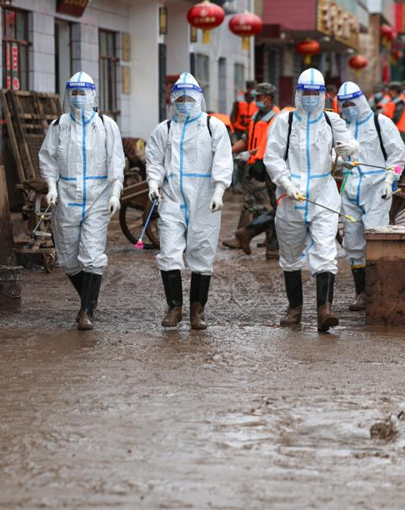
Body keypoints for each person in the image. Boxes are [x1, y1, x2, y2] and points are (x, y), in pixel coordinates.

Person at [264, 69, 358, 331]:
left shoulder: (332, 121)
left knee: (326, 250)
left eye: (314, 94)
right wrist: (285, 183)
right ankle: (295, 308)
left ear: (324, 96)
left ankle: (324, 311)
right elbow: (272, 157)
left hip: (323, 193)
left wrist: (347, 149)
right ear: (297, 93)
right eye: (305, 93)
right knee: (291, 254)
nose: (309, 99)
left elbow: (350, 143)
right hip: (290, 195)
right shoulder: (286, 121)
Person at [146, 72, 233, 330]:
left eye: (189, 97)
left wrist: (219, 190)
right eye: (179, 97)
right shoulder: (164, 129)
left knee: (202, 252)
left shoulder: (213, 127)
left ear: (198, 99)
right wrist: (153, 183)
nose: (184, 102)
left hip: (204, 198)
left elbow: (223, 161)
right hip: (173, 197)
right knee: (169, 251)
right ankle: (175, 308)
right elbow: (154, 160)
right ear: (173, 99)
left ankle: (197, 310)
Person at [39, 71, 125, 330]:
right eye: (73, 93)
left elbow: (116, 161)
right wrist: (51, 187)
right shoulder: (58, 125)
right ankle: (88, 299)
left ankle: (86, 311)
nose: (78, 98)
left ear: (92, 94)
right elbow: (48, 159)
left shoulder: (106, 125)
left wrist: (115, 193)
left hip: (97, 196)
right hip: (67, 197)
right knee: (68, 257)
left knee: (92, 253)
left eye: (82, 92)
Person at [336, 81, 405, 311]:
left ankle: (379, 291)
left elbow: (397, 156)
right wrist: (338, 160)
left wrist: (389, 180)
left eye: (351, 103)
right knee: (353, 243)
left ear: (361, 101)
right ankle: (362, 294)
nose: (348, 108)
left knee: (375, 239)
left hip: (377, 189)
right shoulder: (340, 128)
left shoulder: (380, 123)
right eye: (343, 105)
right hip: (350, 188)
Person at [224, 83, 279, 257]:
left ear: (268, 98)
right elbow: (247, 138)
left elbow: (270, 145)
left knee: (269, 207)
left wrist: (250, 153)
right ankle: (267, 244)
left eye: (259, 98)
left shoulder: (276, 118)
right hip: (253, 167)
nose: (256, 101)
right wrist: (229, 151)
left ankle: (252, 236)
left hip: (267, 168)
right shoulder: (256, 116)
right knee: (256, 204)